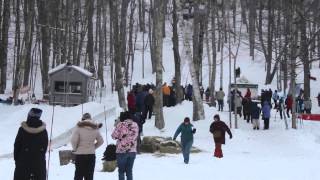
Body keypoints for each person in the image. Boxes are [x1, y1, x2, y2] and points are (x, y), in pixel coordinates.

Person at [14, 108, 48, 180]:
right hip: (39, 163)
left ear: (29, 116)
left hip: (23, 161)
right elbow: (45, 147)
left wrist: (17, 159)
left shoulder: (22, 129)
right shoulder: (43, 131)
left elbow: (17, 145)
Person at [71, 113, 104, 180]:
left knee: (78, 176)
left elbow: (73, 140)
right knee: (89, 176)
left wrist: (75, 149)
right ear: (90, 119)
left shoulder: (79, 127)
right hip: (91, 155)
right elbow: (101, 141)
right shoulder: (95, 128)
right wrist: (93, 147)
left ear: (83, 119)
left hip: (80, 155)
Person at [112, 111, 139, 180]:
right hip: (132, 151)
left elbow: (114, 136)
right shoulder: (135, 125)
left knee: (121, 171)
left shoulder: (120, 125)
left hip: (121, 151)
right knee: (129, 171)